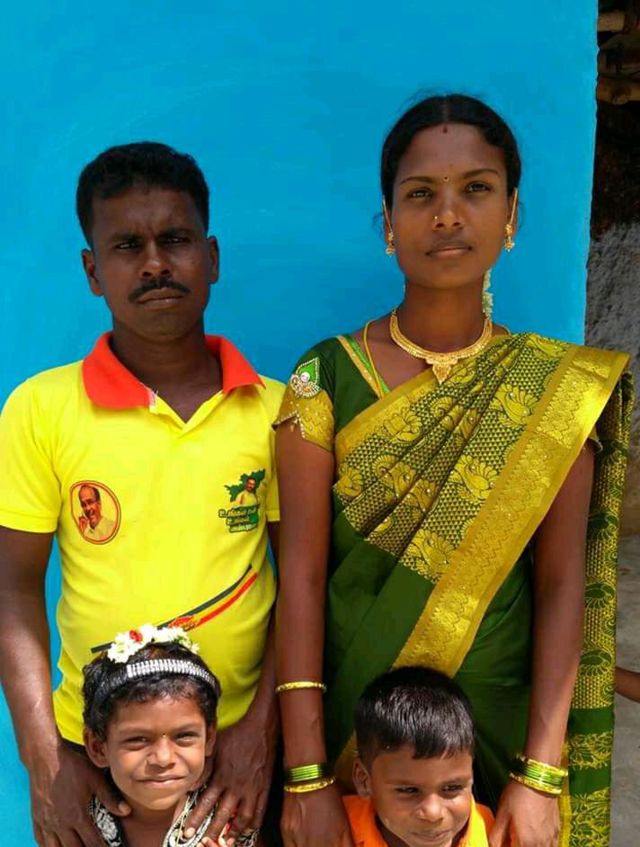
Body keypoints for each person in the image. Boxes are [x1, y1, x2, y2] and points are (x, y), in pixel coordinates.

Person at [274, 94, 633, 847]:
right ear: (388, 222)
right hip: (357, 731)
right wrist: (306, 774)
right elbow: (299, 576)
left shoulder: (552, 390)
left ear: (511, 214)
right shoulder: (325, 376)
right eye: (420, 194)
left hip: (498, 733)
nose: (447, 215)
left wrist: (541, 775)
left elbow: (561, 581)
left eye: (476, 188)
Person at [0, 142, 284, 847]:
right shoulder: (41, 409)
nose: (155, 263)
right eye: (127, 246)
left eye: (176, 240)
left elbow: (306, 586)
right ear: (93, 271)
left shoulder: (278, 413)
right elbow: (12, 588)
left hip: (233, 758)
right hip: (97, 761)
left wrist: (259, 733)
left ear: (211, 258)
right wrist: (45, 758)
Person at [82, 624, 258, 847]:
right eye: (138, 740)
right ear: (98, 747)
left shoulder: (235, 821)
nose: (163, 759)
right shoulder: (76, 821)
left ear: (209, 737)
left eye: (184, 736)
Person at [345, 666, 492, 847]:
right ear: (364, 780)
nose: (433, 813)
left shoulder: (499, 837)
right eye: (409, 790)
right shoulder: (330, 833)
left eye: (452, 788)